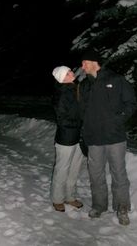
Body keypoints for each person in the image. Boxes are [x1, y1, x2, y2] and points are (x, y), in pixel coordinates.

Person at [79, 48, 137, 225]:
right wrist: (84, 135)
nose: (82, 66)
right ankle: (99, 205)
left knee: (119, 174)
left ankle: (122, 208)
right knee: (96, 174)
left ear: (94, 62)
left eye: (84, 63)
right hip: (94, 139)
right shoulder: (85, 85)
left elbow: (131, 104)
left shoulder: (116, 80)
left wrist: (117, 121)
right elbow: (83, 112)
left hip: (115, 138)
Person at [50, 65, 84, 212]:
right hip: (66, 137)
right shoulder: (61, 94)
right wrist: (80, 123)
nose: (72, 72)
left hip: (79, 136)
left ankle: (70, 197)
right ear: (62, 78)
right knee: (62, 169)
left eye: (70, 71)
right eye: (68, 72)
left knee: (74, 169)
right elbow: (63, 119)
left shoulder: (75, 88)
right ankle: (57, 199)